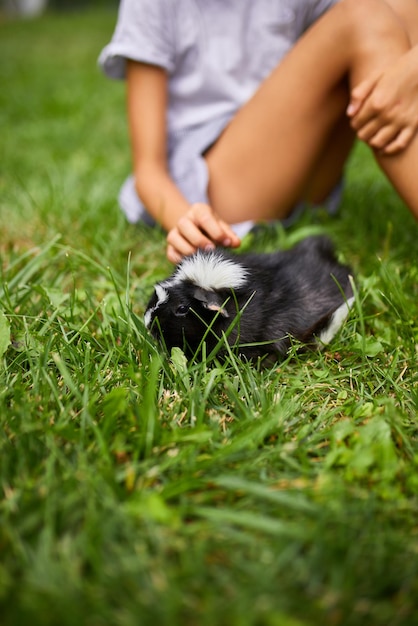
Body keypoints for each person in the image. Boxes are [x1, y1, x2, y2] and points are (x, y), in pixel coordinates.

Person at [99, 0, 418, 264]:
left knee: (403, 9)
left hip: (302, 172)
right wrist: (182, 219)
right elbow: (148, 169)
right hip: (212, 192)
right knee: (363, 17)